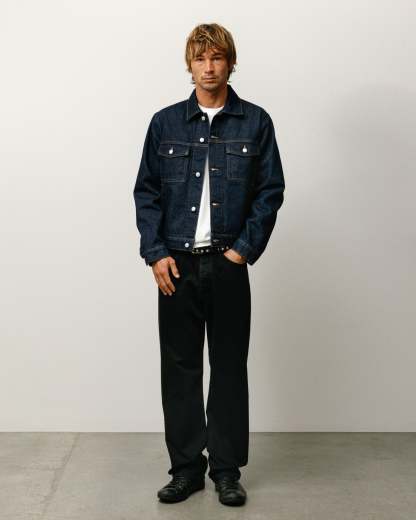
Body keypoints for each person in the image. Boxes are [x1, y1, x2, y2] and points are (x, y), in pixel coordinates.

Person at [133, 22, 285, 507]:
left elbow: (270, 190)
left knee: (228, 368)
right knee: (179, 370)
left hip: (227, 264)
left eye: (217, 57)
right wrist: (155, 252)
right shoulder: (165, 123)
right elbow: (146, 192)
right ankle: (185, 470)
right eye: (200, 58)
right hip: (175, 264)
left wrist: (242, 250)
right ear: (190, 64)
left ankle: (226, 471)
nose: (209, 67)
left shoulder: (255, 122)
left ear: (230, 63)